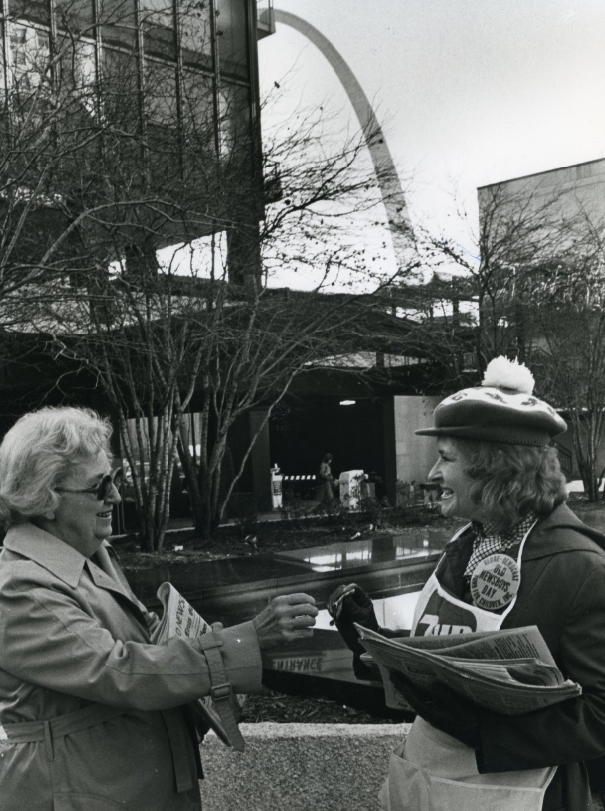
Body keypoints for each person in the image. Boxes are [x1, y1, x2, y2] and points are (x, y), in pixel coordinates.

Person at [0, 406, 318, 811]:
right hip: (80, 792)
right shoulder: (18, 587)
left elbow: (147, 639)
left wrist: (205, 648)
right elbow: (121, 670)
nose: (116, 495)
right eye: (99, 486)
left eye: (114, 480)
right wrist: (245, 639)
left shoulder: (92, 553)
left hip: (121, 784)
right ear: (46, 499)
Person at [328, 357, 605, 811]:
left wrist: (485, 730)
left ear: (494, 468)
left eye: (446, 458)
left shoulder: (582, 569)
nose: (433, 475)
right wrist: (377, 646)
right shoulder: (466, 543)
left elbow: (600, 714)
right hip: (430, 787)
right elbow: (455, 654)